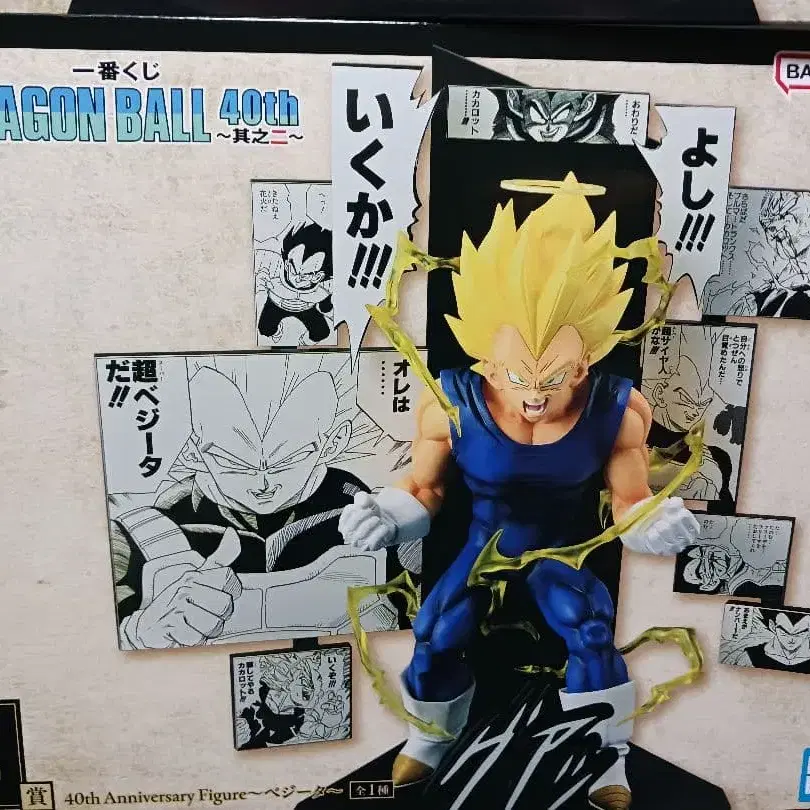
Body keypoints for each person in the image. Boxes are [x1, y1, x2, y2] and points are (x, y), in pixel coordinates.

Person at [339, 175, 700, 810]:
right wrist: (387, 514)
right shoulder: (452, 402)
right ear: (486, 363)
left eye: (553, 378)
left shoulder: (616, 410)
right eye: (517, 376)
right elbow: (423, 489)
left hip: (559, 547)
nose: (534, 394)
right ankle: (430, 735)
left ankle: (605, 756)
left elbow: (627, 501)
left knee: (588, 629)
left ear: (583, 365)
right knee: (436, 629)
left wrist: (651, 521)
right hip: (485, 541)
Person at [110, 353, 409, 649]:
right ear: (192, 450)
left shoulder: (384, 518)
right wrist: (141, 631)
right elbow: (106, 641)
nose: (262, 483)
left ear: (334, 442)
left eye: (288, 459)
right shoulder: (137, 533)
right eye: (233, 462)